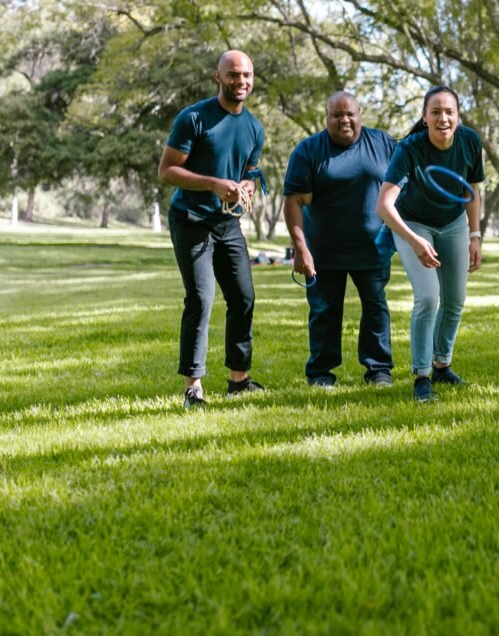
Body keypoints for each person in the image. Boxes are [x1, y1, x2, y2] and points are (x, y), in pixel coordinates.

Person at [158, 50, 265, 408]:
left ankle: (239, 379)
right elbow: (168, 171)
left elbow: (249, 172)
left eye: (247, 75)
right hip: (191, 219)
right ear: (217, 77)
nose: (241, 82)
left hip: (227, 224)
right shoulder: (194, 118)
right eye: (233, 75)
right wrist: (213, 184)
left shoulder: (254, 128)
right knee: (201, 299)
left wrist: (248, 186)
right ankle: (193, 387)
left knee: (243, 297)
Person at [376, 85, 484, 403]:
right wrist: (413, 240)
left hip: (453, 224)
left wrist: (475, 236)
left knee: (455, 299)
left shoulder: (470, 141)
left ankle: (442, 365)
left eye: (449, 111)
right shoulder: (409, 148)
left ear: (458, 116)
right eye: (435, 112)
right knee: (427, 297)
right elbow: (384, 205)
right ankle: (422, 376)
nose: (443, 118)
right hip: (412, 223)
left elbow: (471, 190)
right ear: (424, 117)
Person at [283, 92, 397, 389]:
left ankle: (379, 370)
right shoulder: (308, 151)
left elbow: (403, 184)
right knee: (323, 311)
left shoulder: (384, 144)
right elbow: (293, 201)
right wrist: (300, 248)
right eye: (337, 115)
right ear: (327, 117)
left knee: (375, 308)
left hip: (373, 249)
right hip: (323, 251)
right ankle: (321, 372)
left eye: (350, 114)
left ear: (360, 115)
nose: (345, 120)